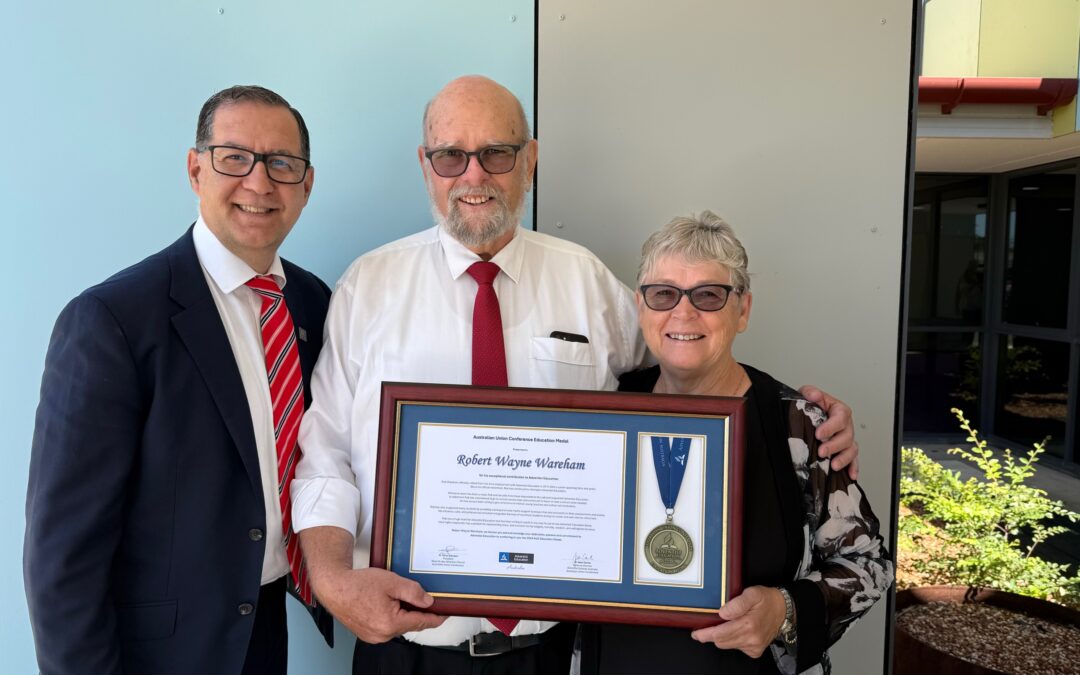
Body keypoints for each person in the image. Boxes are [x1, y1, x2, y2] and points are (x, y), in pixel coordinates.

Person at [291, 75, 862, 675]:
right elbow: (325, 453)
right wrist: (331, 580)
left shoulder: (584, 281)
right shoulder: (367, 287)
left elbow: (685, 363)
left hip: (556, 652)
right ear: (426, 164)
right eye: (450, 156)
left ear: (530, 160)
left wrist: (801, 420)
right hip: (407, 652)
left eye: (497, 153)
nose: (474, 175)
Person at [24, 85, 333, 675]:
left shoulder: (313, 304)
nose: (259, 183)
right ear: (195, 169)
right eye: (234, 158)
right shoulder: (112, 319)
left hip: (264, 631)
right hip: (157, 654)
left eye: (281, 164)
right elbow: (62, 557)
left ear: (307, 185)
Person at [578, 212, 894, 675]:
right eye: (663, 294)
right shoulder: (606, 410)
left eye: (708, 295)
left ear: (742, 310)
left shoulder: (797, 427)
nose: (683, 313)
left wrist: (785, 609)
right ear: (641, 307)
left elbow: (869, 563)